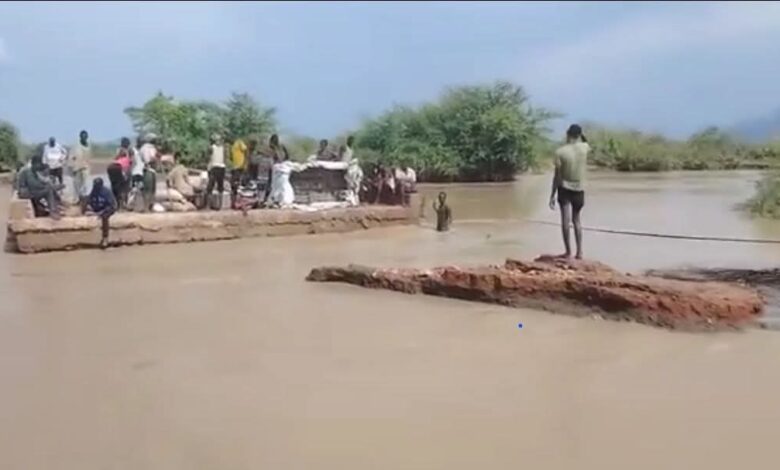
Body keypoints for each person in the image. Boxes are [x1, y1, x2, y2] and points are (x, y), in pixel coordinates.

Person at [549, 124, 589, 259]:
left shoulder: (560, 152)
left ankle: (568, 252)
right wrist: (582, 135)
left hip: (564, 188)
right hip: (579, 188)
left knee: (565, 221)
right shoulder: (584, 148)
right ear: (579, 135)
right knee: (576, 220)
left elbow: (557, 176)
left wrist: (552, 194)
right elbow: (586, 141)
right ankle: (579, 252)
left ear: (567, 134)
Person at [87, 177, 117, 249]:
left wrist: (100, 212)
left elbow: (111, 205)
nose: (95, 187)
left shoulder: (106, 192)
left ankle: (105, 238)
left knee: (105, 217)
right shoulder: (94, 191)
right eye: (94, 185)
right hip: (98, 208)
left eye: (97, 185)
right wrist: (89, 207)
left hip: (108, 209)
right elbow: (90, 201)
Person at [68, 130, 91, 212]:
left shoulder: (88, 146)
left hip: (85, 167)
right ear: (80, 137)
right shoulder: (76, 146)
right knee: (77, 185)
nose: (84, 138)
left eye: (85, 136)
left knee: (85, 185)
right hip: (77, 167)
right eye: (83, 136)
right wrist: (71, 167)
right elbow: (71, 157)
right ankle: (77, 199)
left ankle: (84, 200)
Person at [205, 134, 226, 210]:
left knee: (219, 187)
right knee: (210, 187)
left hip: (220, 167)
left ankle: (219, 205)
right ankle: (210, 205)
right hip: (215, 167)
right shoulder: (213, 147)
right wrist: (209, 166)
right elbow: (209, 158)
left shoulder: (222, 148)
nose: (218, 141)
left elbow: (224, 158)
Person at [230, 137, 248, 209]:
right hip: (235, 167)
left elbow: (246, 151)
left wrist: (245, 163)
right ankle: (235, 202)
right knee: (234, 185)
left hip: (240, 166)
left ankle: (241, 202)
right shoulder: (232, 146)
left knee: (238, 184)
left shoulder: (239, 142)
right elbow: (231, 157)